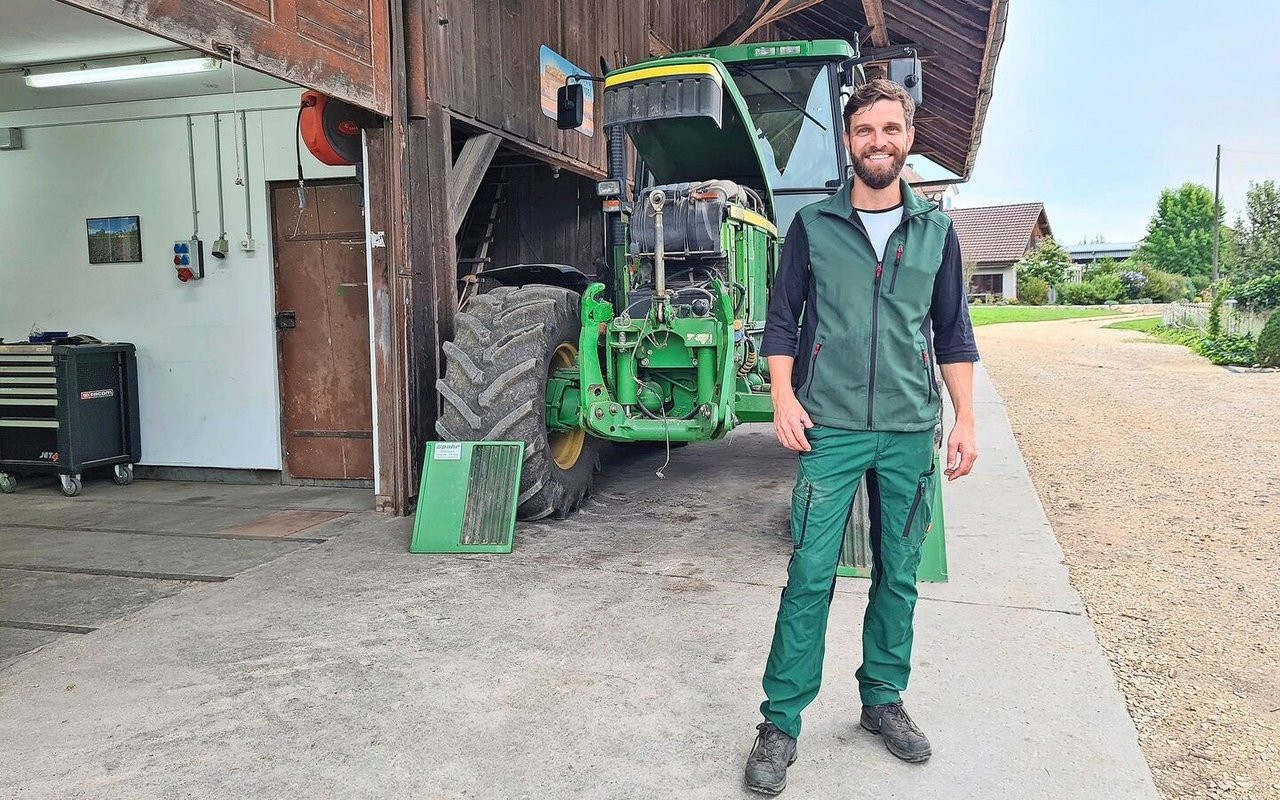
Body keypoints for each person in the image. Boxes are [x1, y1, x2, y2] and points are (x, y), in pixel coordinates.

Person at [743, 78, 979, 795]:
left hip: (910, 429)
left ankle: (883, 701)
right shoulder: (813, 226)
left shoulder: (937, 231)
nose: (878, 140)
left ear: (909, 137)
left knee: (898, 573)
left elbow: (953, 332)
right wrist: (783, 395)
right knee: (809, 574)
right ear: (848, 142)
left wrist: (965, 416)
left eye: (891, 128)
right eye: (864, 130)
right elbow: (781, 320)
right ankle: (780, 722)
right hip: (832, 430)